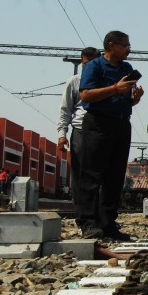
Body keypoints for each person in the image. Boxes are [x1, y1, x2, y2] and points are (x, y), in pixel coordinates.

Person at [77, 31, 144, 240]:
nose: (128, 50)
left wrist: (134, 99)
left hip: (121, 123)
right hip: (98, 123)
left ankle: (108, 223)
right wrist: (115, 88)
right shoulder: (94, 66)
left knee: (115, 176)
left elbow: (123, 98)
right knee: (92, 174)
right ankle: (88, 222)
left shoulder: (126, 68)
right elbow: (85, 94)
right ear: (112, 45)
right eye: (125, 45)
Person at [57, 47, 100, 203]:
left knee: (99, 172)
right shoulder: (74, 82)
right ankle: (81, 207)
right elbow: (65, 108)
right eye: (84, 64)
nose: (87, 67)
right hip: (80, 131)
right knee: (80, 171)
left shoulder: (105, 81)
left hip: (101, 131)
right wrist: (62, 134)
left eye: (91, 64)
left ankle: (97, 208)